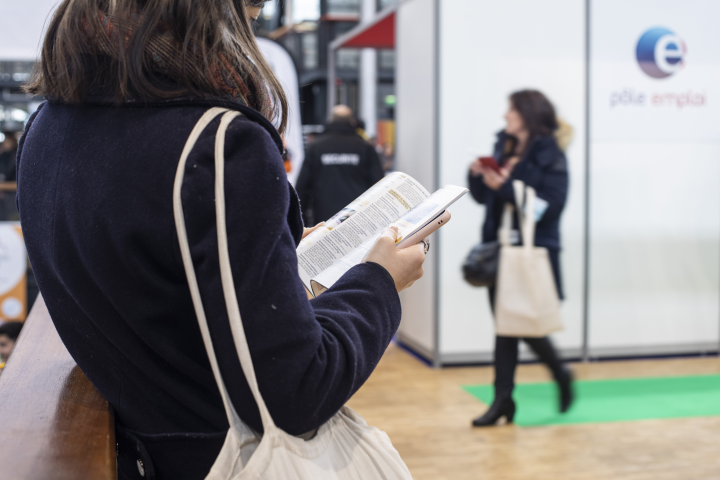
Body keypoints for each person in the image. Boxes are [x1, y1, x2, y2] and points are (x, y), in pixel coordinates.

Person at [17, 1, 426, 479]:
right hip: (219, 457)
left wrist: (273, 249)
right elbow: (296, 389)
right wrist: (378, 281)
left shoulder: (45, 129)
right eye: (249, 17)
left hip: (139, 451)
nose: (251, 40)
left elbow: (156, 280)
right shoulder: (220, 145)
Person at [467, 89, 573, 427]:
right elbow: (485, 199)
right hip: (500, 252)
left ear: (527, 114)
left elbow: (550, 207)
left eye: (510, 110)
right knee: (506, 327)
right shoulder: (504, 147)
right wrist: (479, 176)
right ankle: (504, 401)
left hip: (531, 251)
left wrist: (505, 186)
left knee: (520, 324)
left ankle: (555, 374)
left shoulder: (551, 154)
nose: (505, 116)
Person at [295, 105, 384, 225]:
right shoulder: (364, 147)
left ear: (330, 120)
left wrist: (301, 222)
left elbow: (302, 186)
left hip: (324, 218)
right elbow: (379, 184)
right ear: (352, 121)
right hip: (357, 217)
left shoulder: (317, 147)